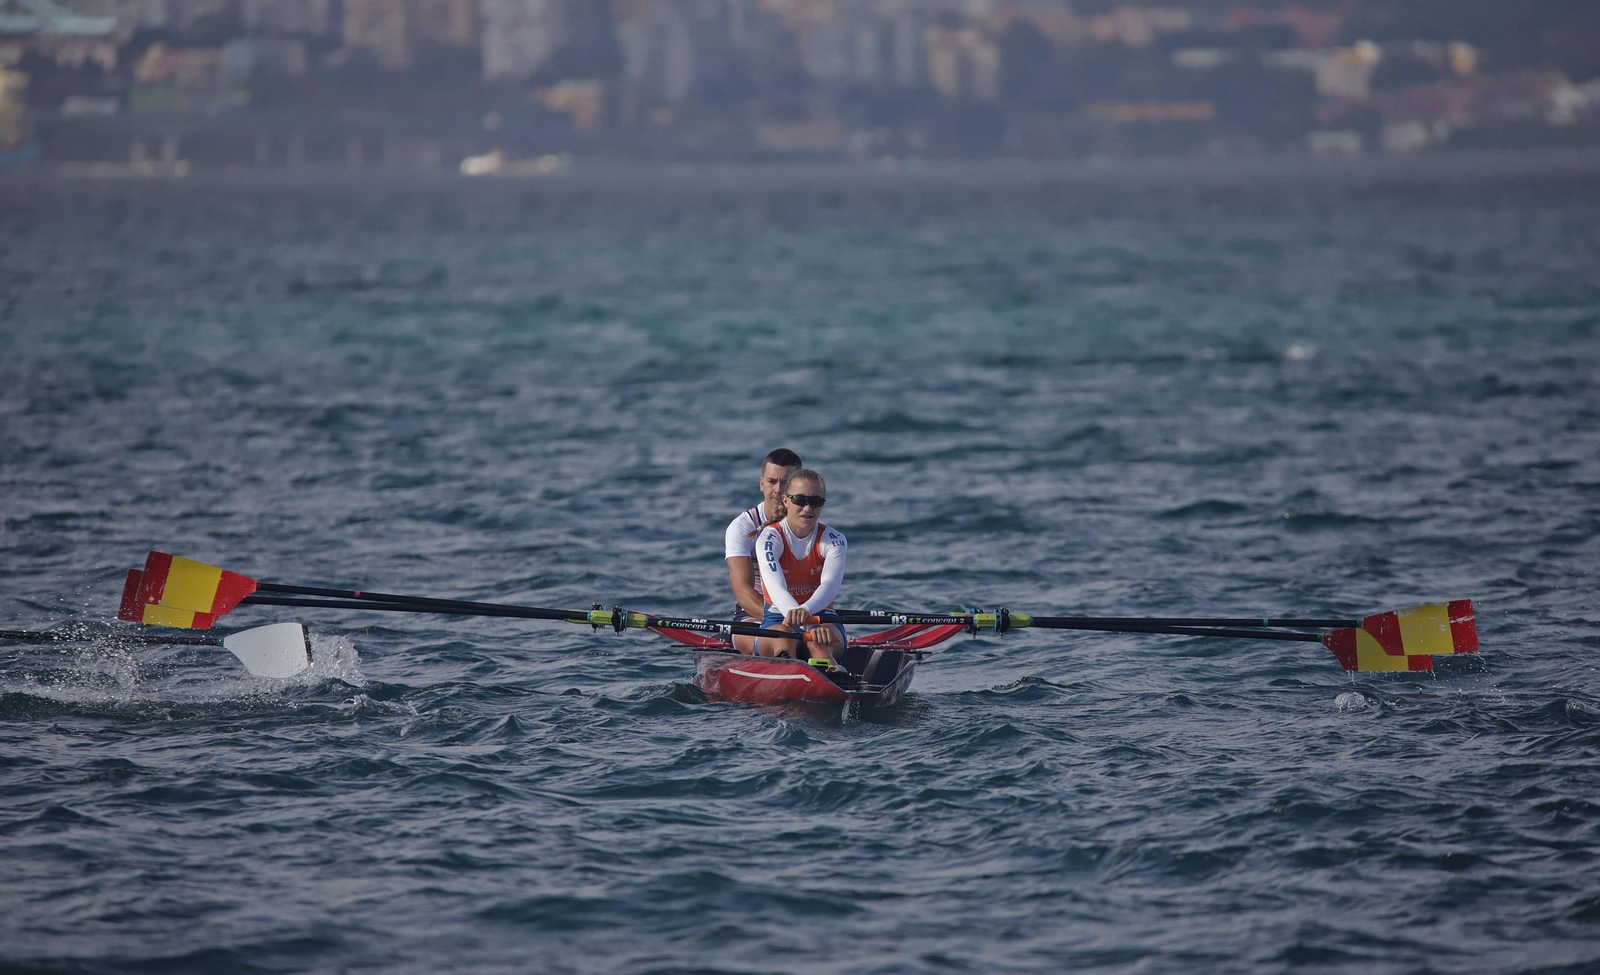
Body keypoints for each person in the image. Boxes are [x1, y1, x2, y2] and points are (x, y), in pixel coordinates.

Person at [754, 468, 847, 662]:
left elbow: (830, 585)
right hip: (778, 620)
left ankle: (829, 675)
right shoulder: (769, 538)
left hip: (822, 618)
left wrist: (809, 618)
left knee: (817, 642)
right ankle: (786, 666)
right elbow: (776, 587)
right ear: (786, 500)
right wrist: (806, 622)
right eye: (800, 500)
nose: (808, 508)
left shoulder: (834, 540)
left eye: (815, 502)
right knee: (784, 639)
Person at [725, 448, 803, 654]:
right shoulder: (742, 527)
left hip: (802, 617)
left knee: (826, 640)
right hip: (753, 618)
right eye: (772, 482)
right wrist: (782, 618)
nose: (778, 489)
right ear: (761, 484)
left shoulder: (813, 527)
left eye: (785, 483)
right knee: (783, 639)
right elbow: (743, 592)